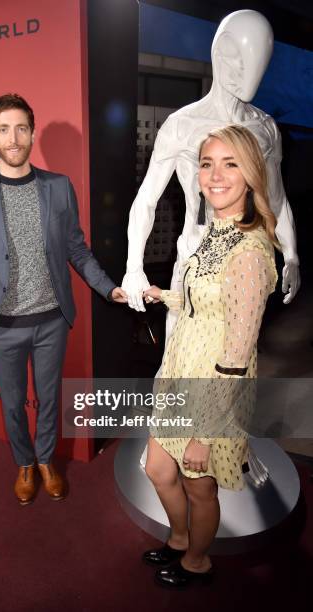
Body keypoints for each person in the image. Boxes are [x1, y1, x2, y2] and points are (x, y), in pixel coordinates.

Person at [123, 9, 300, 486]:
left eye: (261, 64)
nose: (251, 77)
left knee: (237, 357)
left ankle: (231, 446)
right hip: (195, 256)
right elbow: (146, 199)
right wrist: (132, 268)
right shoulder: (183, 125)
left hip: (245, 255)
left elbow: (277, 197)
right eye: (242, 61)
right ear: (220, 57)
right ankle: (168, 444)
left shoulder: (264, 129)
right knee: (178, 356)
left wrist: (293, 253)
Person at [0, 93, 127, 505]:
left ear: (32, 134)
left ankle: (47, 459)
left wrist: (108, 287)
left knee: (49, 399)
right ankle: (25, 463)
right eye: (3, 129)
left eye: (20, 128)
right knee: (13, 404)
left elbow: (77, 250)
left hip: (51, 320)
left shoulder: (58, 188)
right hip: (2, 325)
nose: (12, 138)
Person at [141, 124, 278, 589]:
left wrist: (204, 432)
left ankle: (197, 560)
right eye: (206, 163)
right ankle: (179, 540)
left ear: (251, 175)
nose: (215, 175)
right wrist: (165, 296)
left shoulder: (251, 253)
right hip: (182, 374)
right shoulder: (215, 232)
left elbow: (237, 356)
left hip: (213, 390)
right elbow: (206, 302)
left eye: (230, 163)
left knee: (200, 484)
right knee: (160, 469)